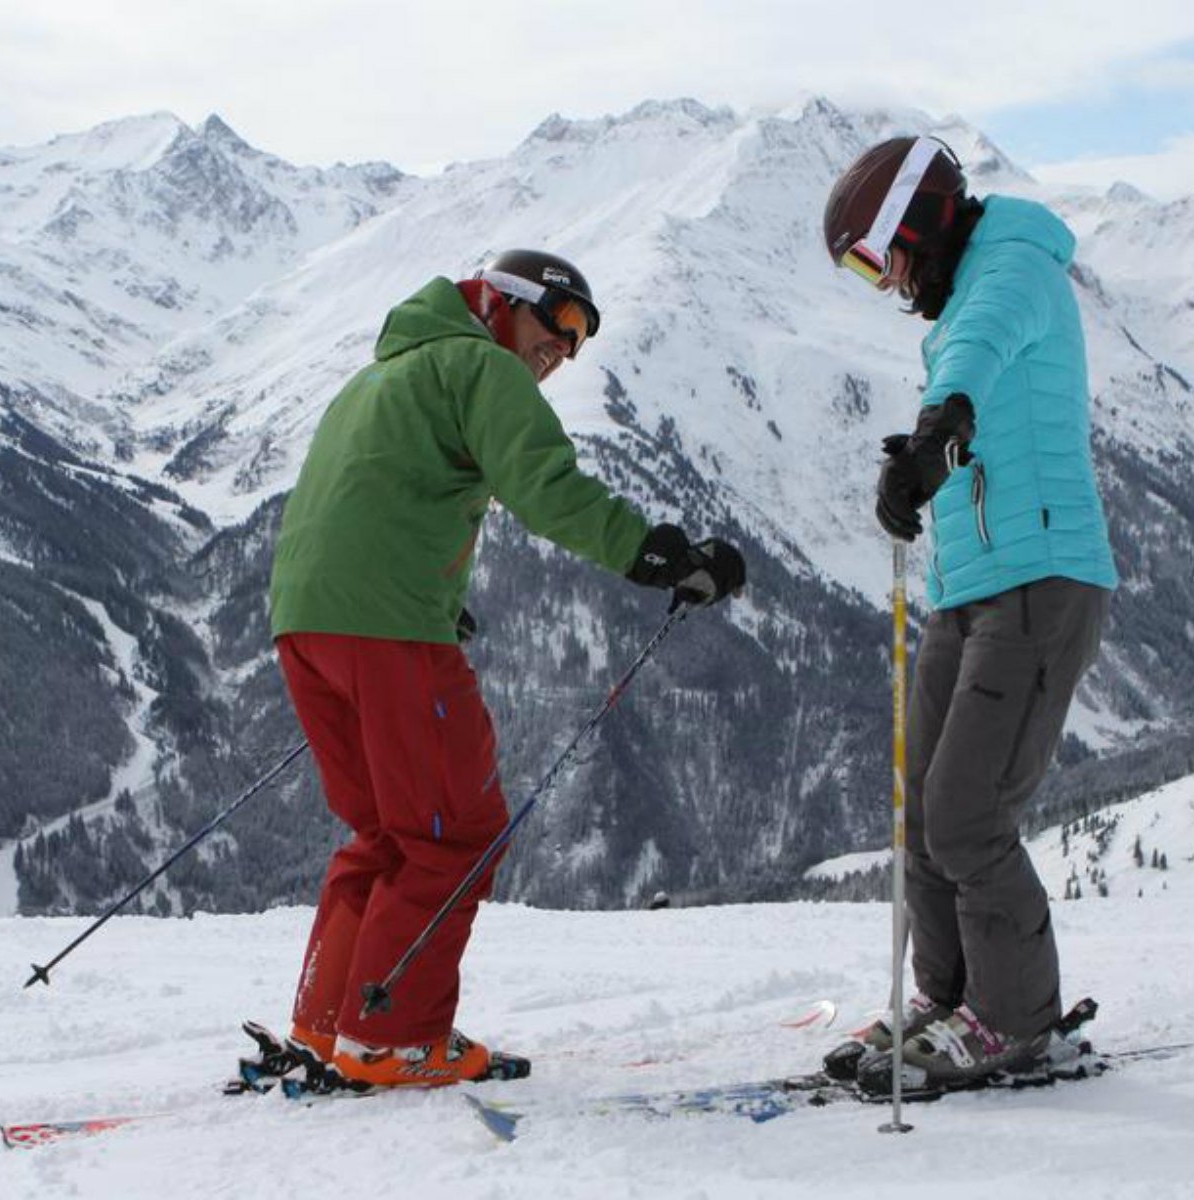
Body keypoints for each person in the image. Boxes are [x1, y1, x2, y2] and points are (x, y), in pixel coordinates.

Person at [269, 249, 745, 1088]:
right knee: (453, 831)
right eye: (558, 322)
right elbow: (546, 486)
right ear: (501, 301)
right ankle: (393, 1039)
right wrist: (655, 554)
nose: (562, 350)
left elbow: (365, 498)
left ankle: (326, 1025)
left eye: (579, 341)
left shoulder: (378, 379)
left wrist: (423, 592)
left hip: (307, 629)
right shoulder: (480, 366)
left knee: (385, 834)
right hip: (389, 634)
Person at [821, 138, 1118, 1085]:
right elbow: (967, 409)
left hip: (1041, 581)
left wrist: (941, 422)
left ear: (920, 221)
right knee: (919, 817)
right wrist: (917, 473)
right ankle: (947, 1001)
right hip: (967, 589)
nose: (888, 283)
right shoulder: (959, 300)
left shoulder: (1014, 269)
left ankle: (1015, 1019)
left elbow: (983, 355)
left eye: (881, 259)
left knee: (967, 815)